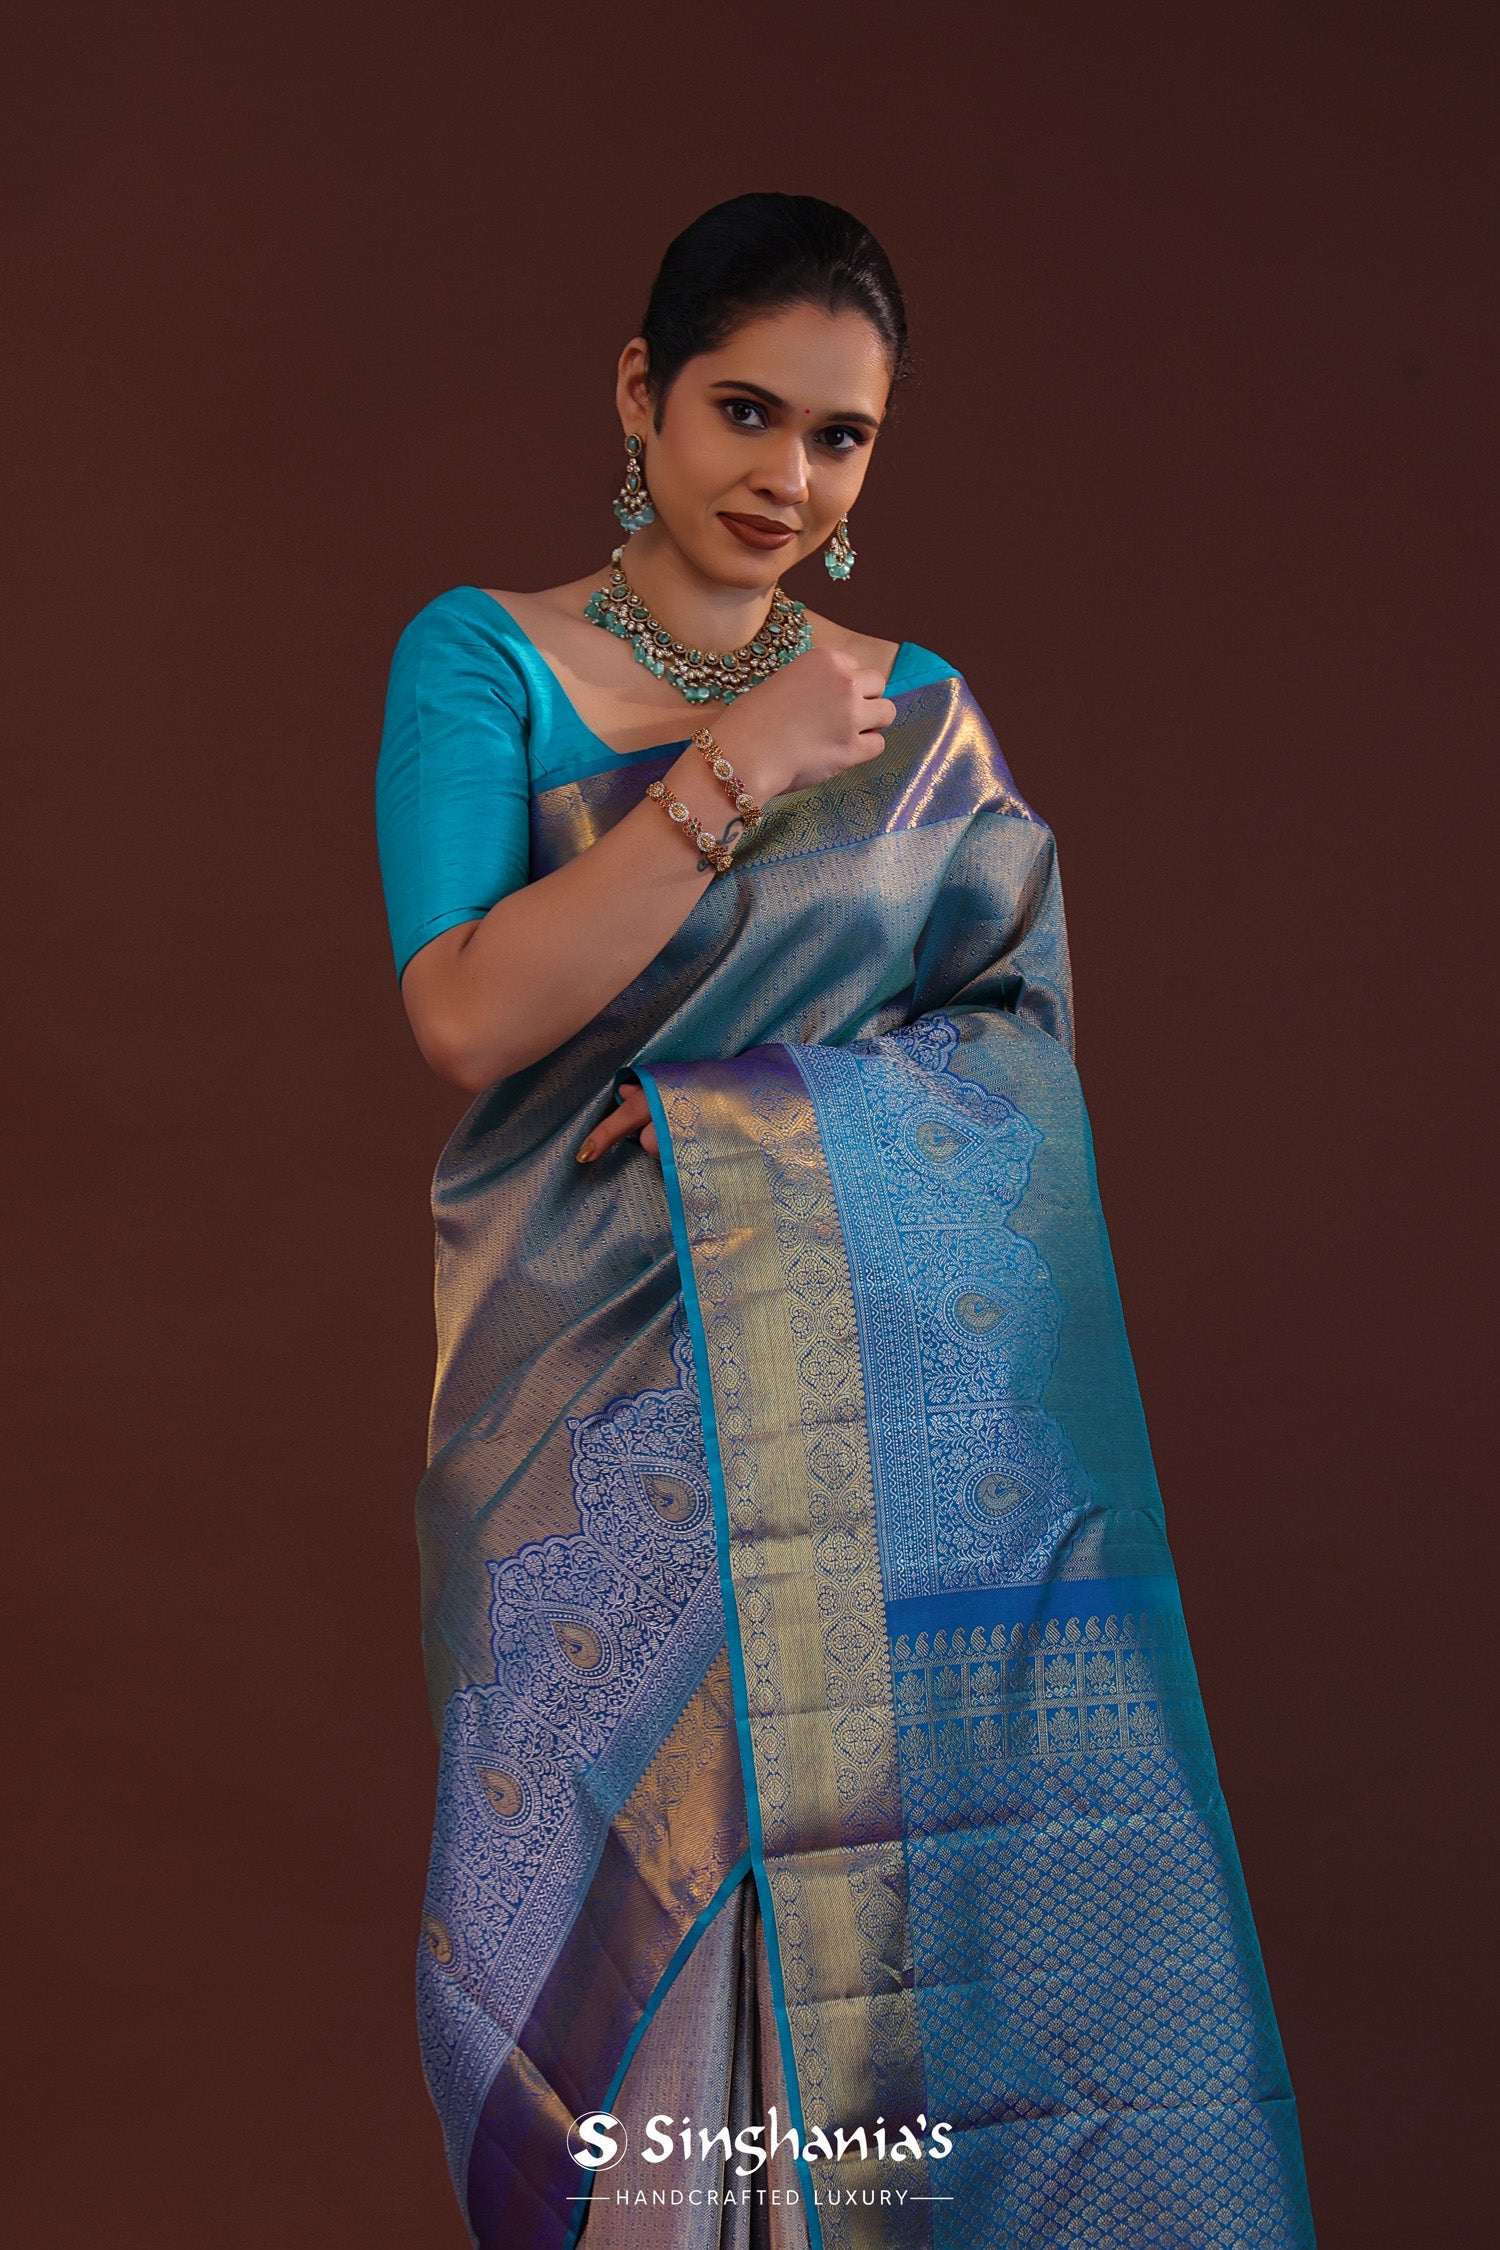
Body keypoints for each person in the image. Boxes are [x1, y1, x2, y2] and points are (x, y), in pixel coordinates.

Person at [376, 193, 1315, 2250]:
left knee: (878, 1928)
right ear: (640, 392)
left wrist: (742, 1137)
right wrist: (726, 768)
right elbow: (465, 1014)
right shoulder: (486, 661)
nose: (788, 480)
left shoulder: (920, 720)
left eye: (841, 436)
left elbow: (1011, 1068)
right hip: (590, 1434)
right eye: (745, 412)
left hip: (874, 1446)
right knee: (639, 1954)